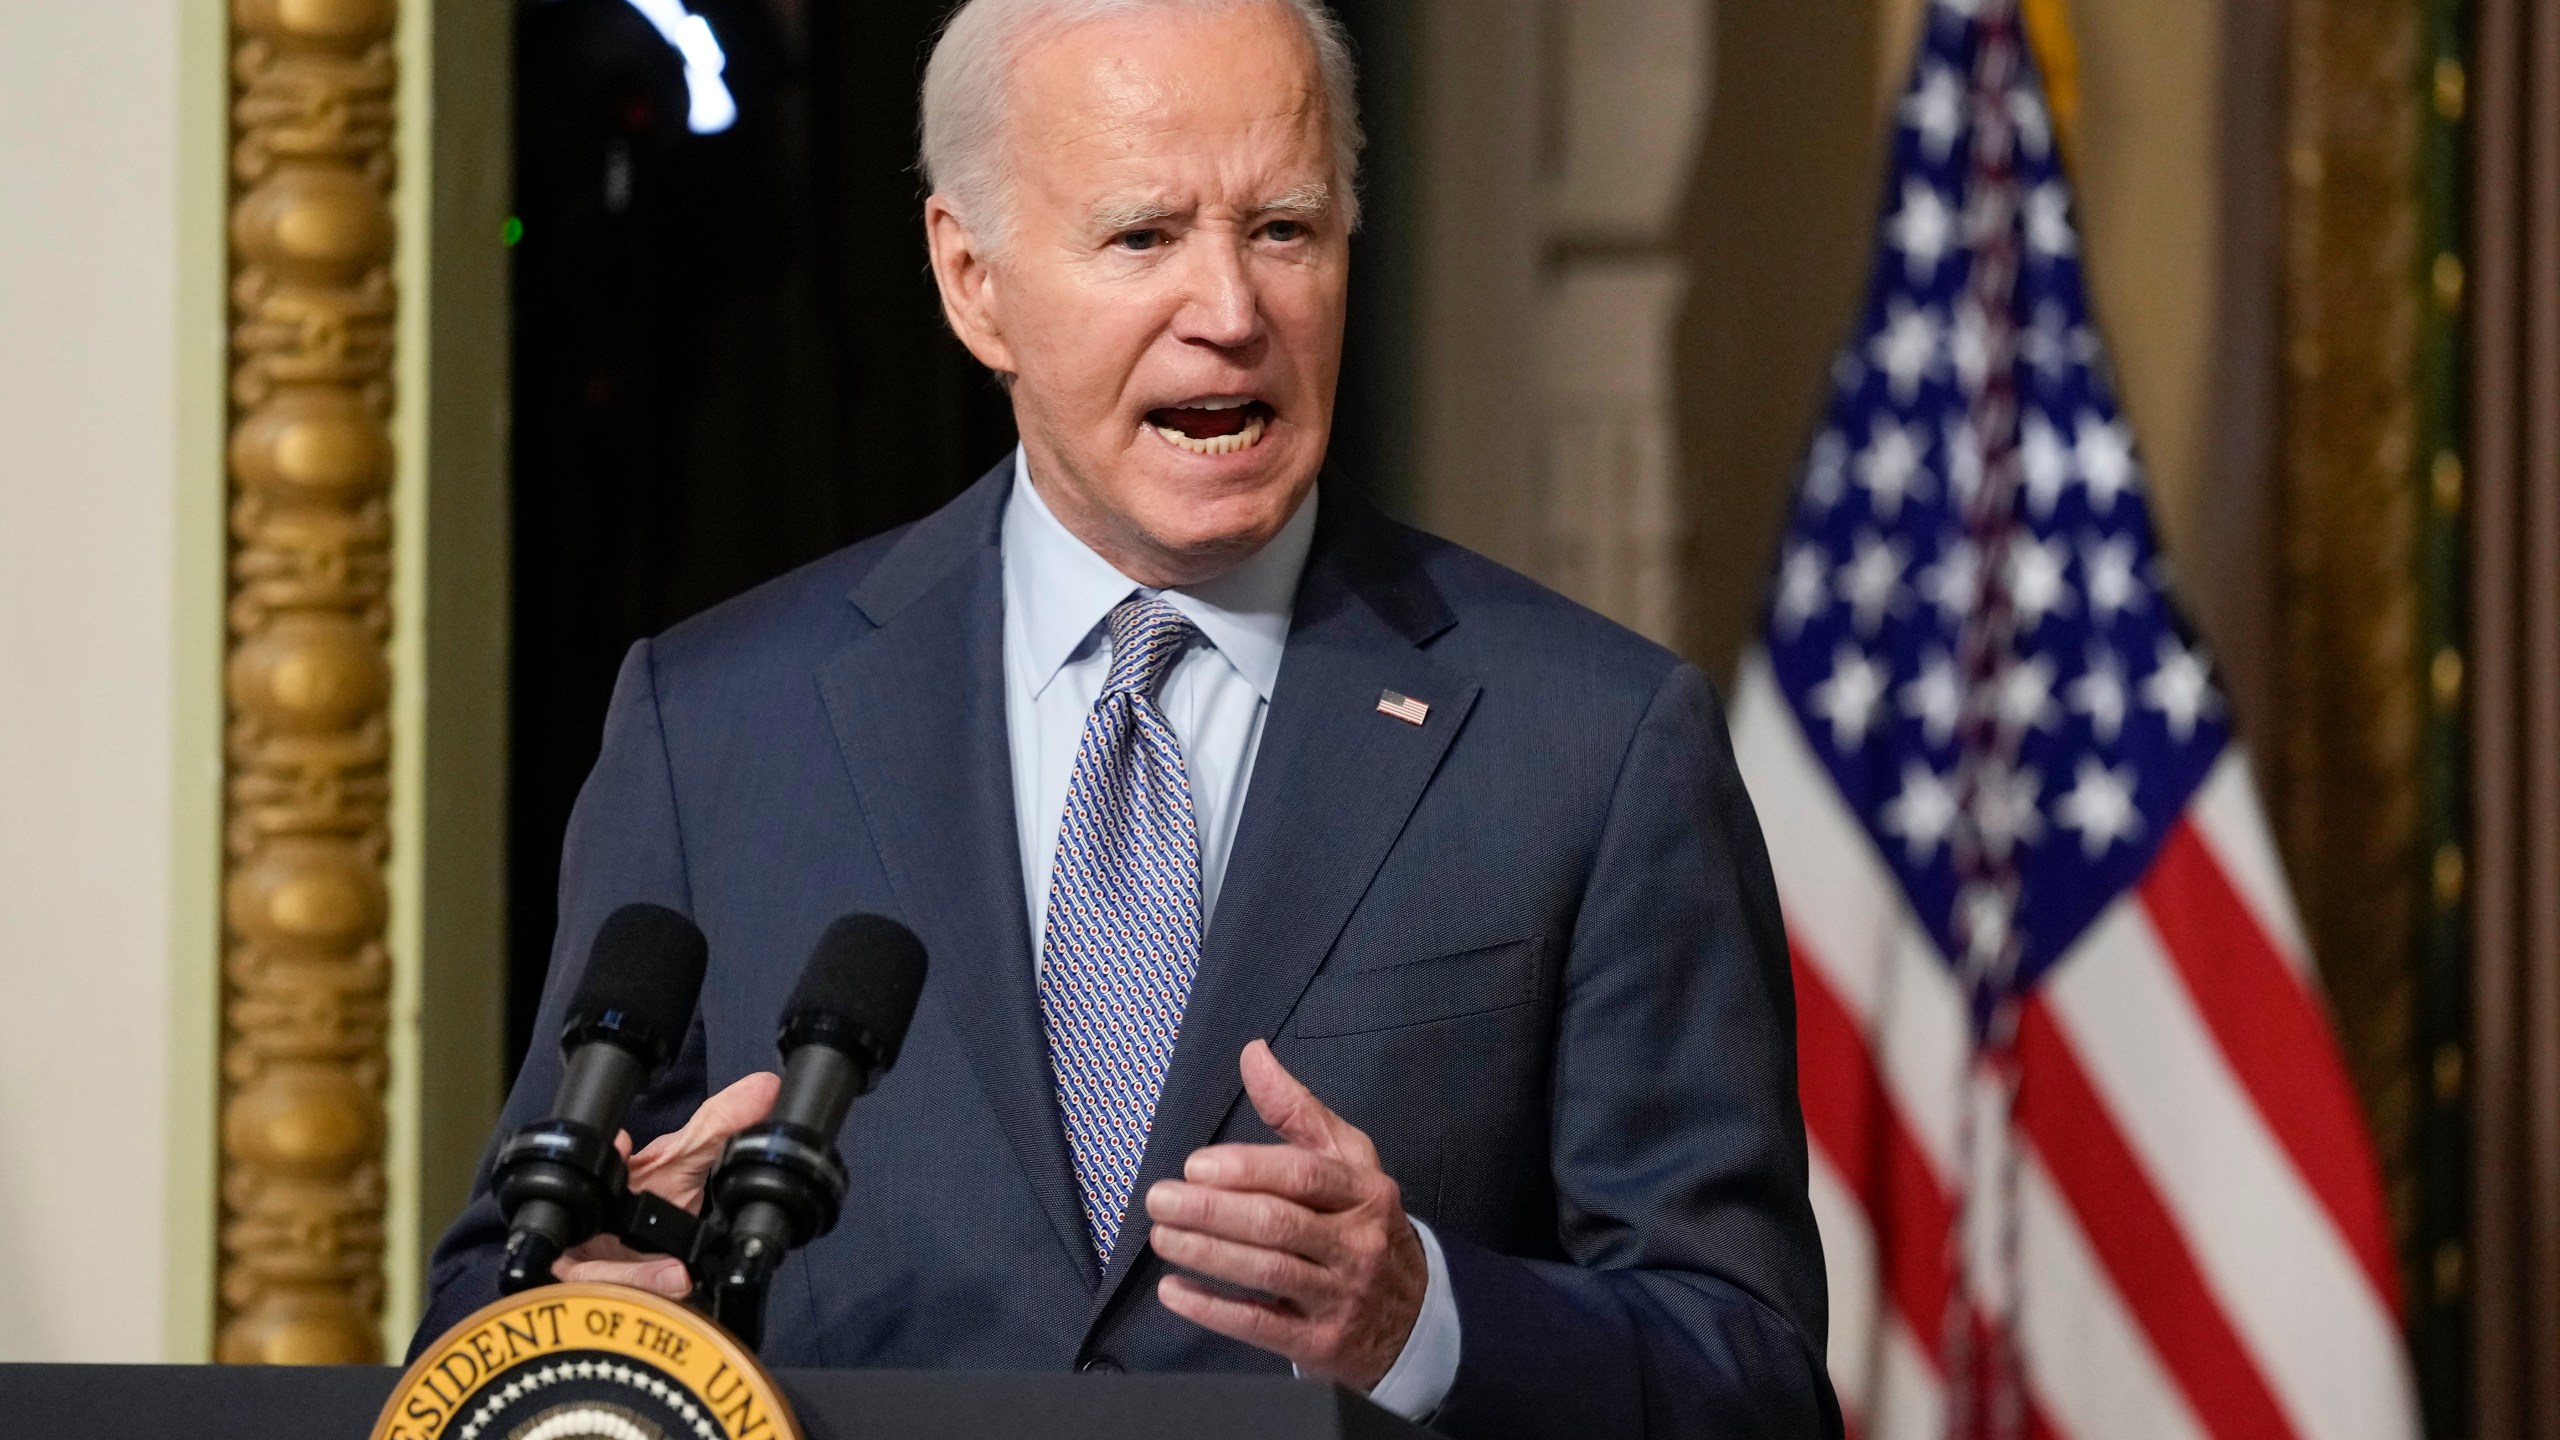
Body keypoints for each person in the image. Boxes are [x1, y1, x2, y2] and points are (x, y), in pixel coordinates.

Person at [420, 0, 1837, 1433]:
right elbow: (485, 1307)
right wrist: (589, 1308)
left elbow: (1751, 1376)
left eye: (1285, 229)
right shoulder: (714, 727)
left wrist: (1422, 1314)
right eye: (1145, 237)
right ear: (972, 281)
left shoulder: (1589, 742)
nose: (1231, 311)